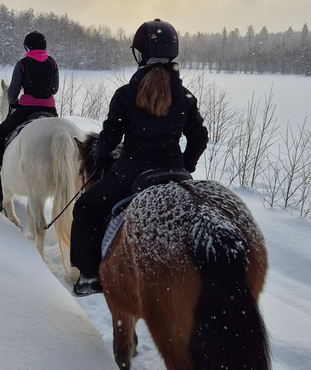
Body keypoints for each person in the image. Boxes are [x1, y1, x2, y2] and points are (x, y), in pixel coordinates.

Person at [69, 19, 209, 296]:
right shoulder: (186, 98)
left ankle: (88, 277)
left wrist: (98, 158)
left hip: (132, 173)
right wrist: (185, 166)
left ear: (140, 53)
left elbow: (109, 138)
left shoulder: (125, 95)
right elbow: (199, 138)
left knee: (86, 208)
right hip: (176, 175)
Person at [0, 31, 60, 183]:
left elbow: (12, 93)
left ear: (28, 47)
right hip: (50, 110)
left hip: (27, 109)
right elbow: (54, 89)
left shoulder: (23, 64)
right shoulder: (52, 63)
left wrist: (14, 102)